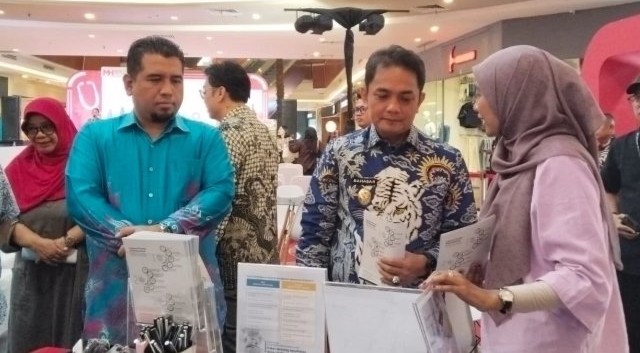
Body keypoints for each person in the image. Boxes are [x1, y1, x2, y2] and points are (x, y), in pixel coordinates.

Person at [425, 45, 627, 352]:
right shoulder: (519, 159)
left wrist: (495, 298)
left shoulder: (559, 164)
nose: (476, 105)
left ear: (518, 95)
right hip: (521, 334)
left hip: (553, 339)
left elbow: (584, 276)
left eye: (486, 93)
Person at [66, 36, 234, 344]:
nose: (168, 90)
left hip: (189, 295)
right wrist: (135, 241)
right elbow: (81, 196)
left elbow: (220, 192)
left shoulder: (206, 139)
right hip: (114, 293)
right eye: (155, 79)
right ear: (129, 83)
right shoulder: (94, 137)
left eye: (176, 80)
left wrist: (165, 230)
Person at [296, 45, 476, 287]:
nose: (393, 107)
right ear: (365, 95)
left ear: (420, 100)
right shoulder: (339, 153)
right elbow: (314, 231)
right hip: (347, 298)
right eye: (382, 95)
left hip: (420, 299)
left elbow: (463, 239)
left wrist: (426, 262)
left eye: (405, 98)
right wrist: (310, 295)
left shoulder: (447, 161)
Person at [201, 60, 279, 353]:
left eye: (205, 91)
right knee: (255, 335)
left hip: (235, 256)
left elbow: (221, 199)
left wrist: (203, 250)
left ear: (220, 92)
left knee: (233, 334)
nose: (205, 98)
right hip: (265, 251)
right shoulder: (263, 130)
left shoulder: (228, 133)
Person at [0, 97, 88, 352]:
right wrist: (39, 244)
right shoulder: (17, 169)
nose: (39, 135)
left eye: (47, 126)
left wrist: (65, 241)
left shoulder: (85, 165)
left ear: (61, 124)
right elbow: (4, 219)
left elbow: (99, 212)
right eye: (32, 129)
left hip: (75, 276)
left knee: (69, 339)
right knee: (29, 339)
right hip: (32, 277)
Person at [601, 75, 640, 352]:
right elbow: (608, 189)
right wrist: (613, 217)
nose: (639, 103)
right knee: (632, 332)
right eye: (636, 98)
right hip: (631, 258)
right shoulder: (622, 146)